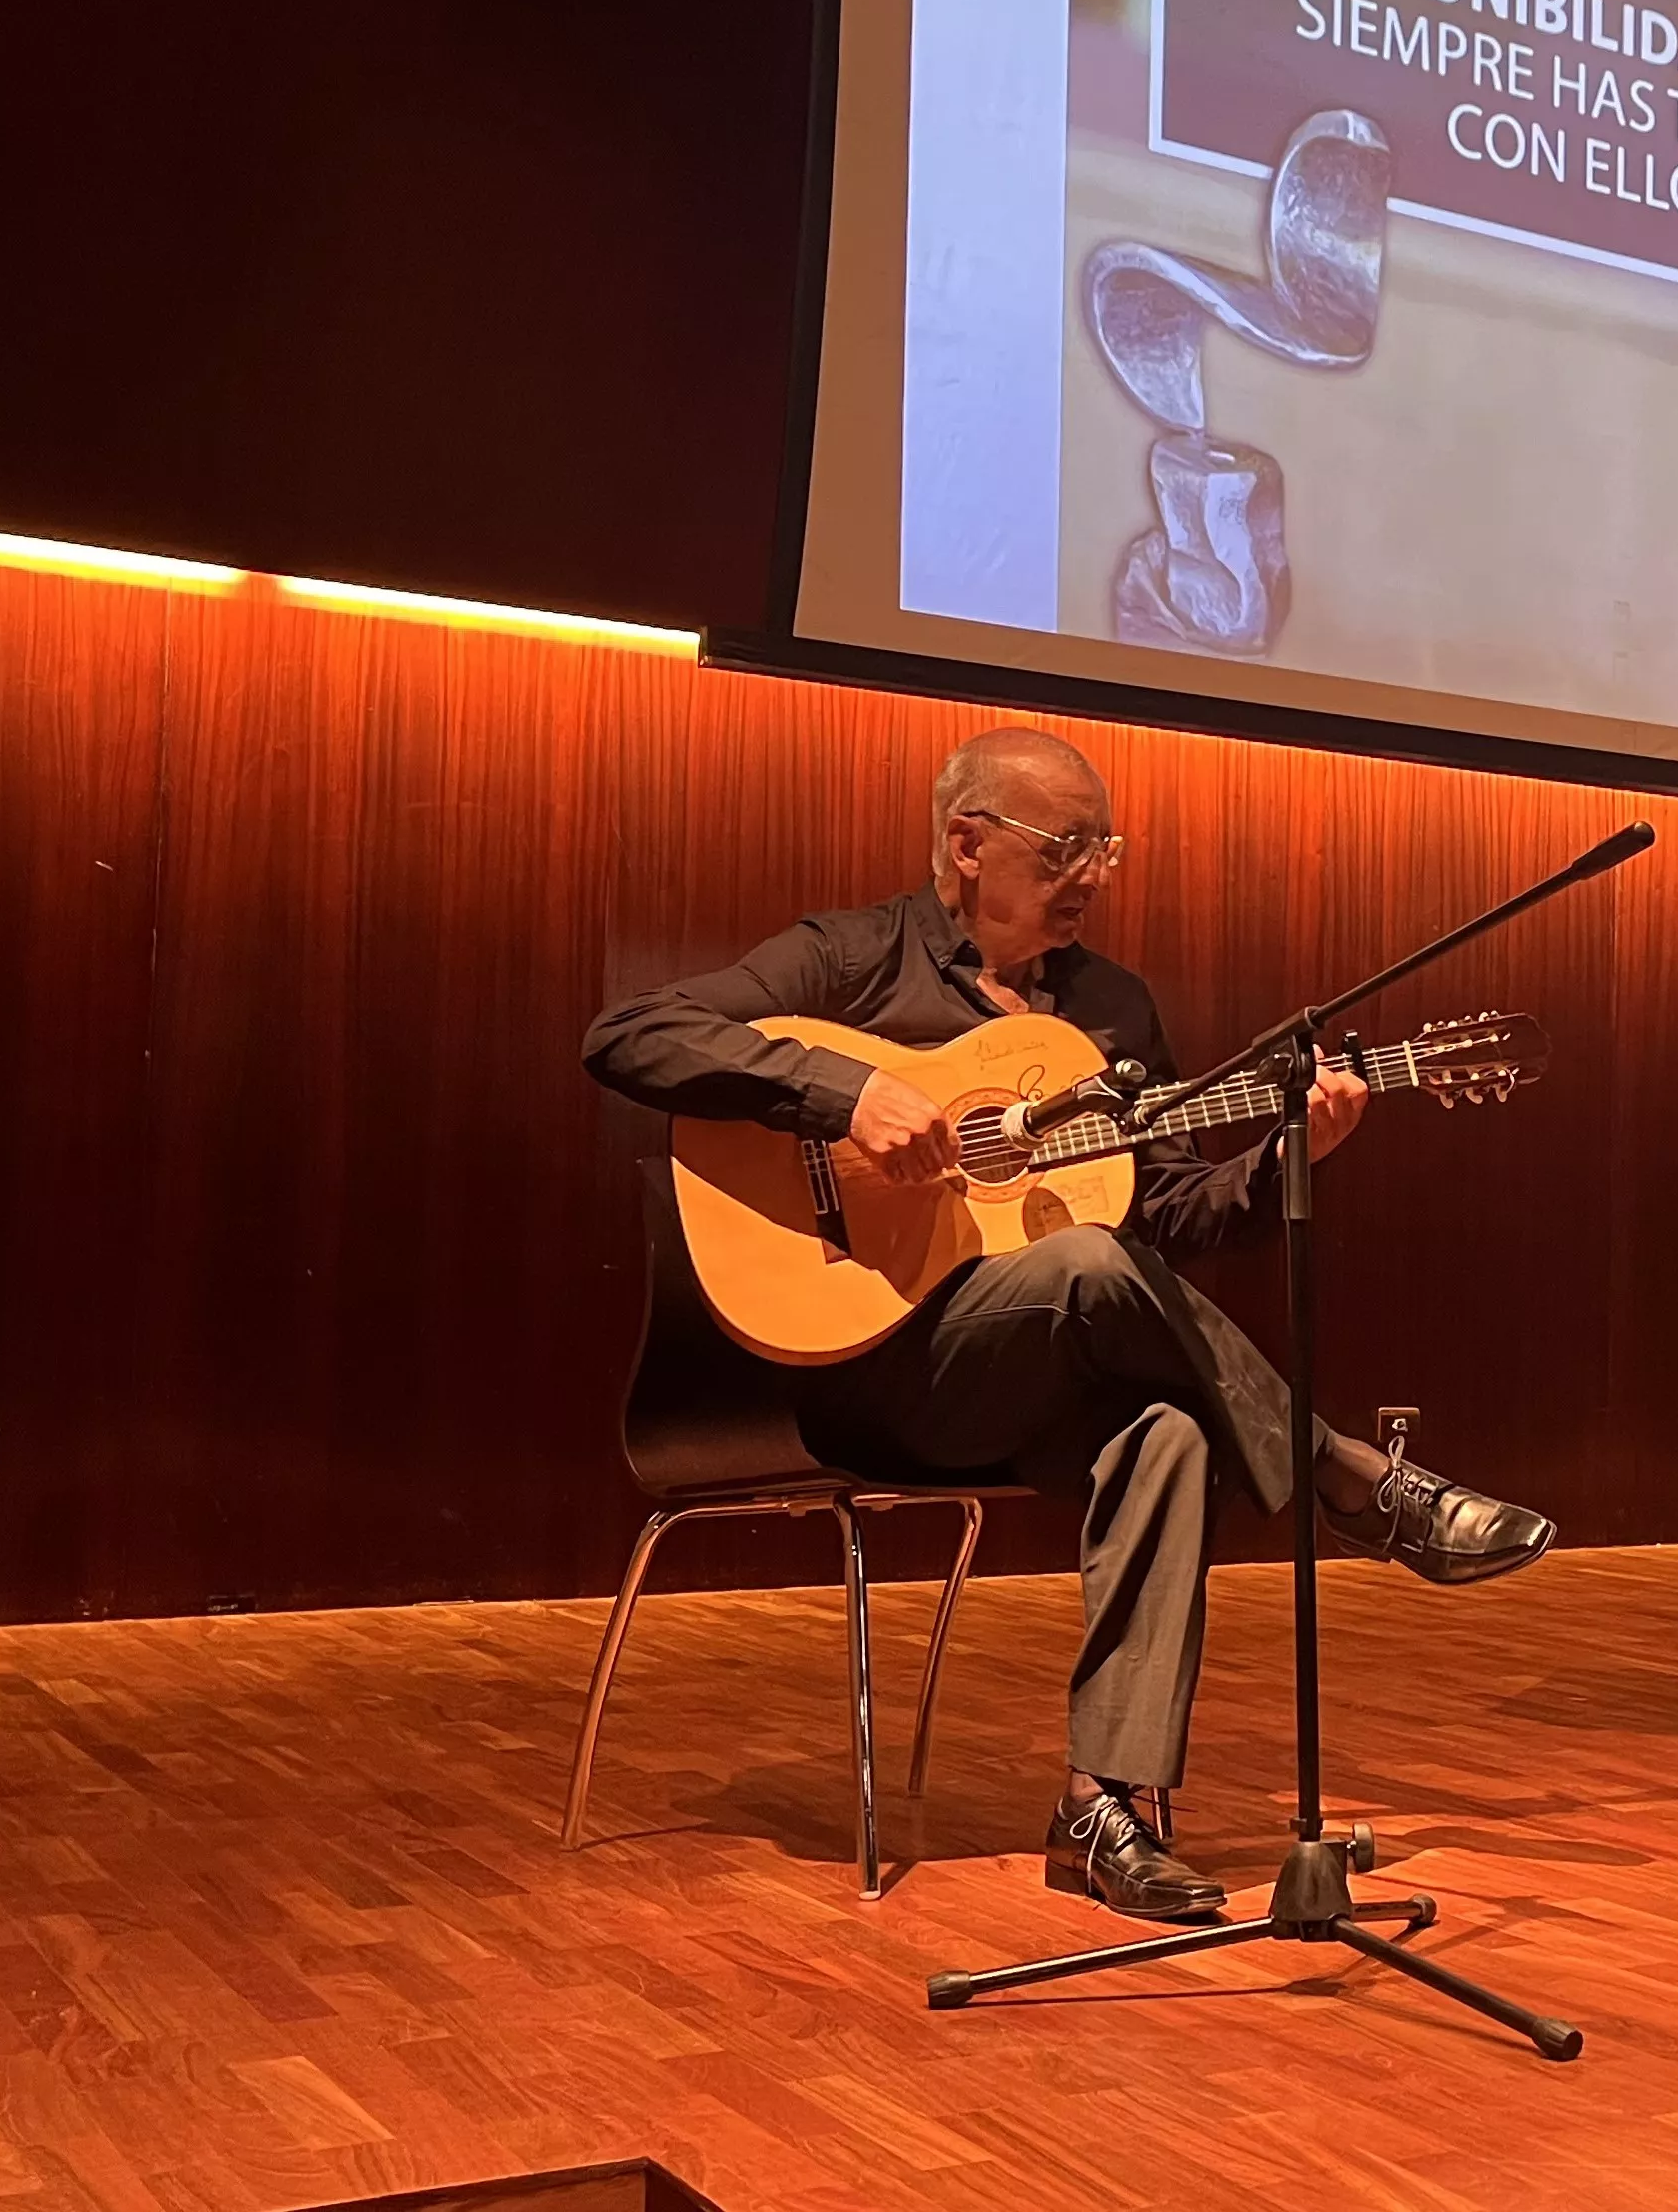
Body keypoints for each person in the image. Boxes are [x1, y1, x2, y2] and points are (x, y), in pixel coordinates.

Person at [582, 725, 1554, 1922]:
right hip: (860, 1369)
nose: (1092, 873)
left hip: (1020, 1375)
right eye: (1065, 848)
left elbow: (1167, 1216)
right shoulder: (851, 959)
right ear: (967, 842)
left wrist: (1282, 1156)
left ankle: (1105, 1809)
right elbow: (628, 1032)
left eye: (1107, 848)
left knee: (1169, 1430)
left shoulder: (1111, 1007)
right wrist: (847, 1092)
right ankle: (1351, 1477)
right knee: (1091, 1263)